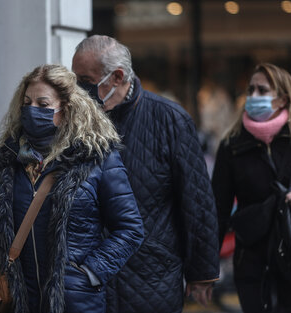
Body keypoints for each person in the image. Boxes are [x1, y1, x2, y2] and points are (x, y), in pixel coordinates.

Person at [0, 64, 144, 313]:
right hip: (18, 302)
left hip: (75, 302)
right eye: (27, 102)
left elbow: (130, 228)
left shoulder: (97, 159)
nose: (32, 111)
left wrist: (89, 274)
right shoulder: (8, 160)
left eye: (43, 105)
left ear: (65, 110)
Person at [72, 35, 220, 313]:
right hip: (86, 276)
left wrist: (202, 274)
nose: (78, 90)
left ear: (116, 76)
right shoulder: (75, 122)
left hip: (151, 275)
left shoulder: (170, 119)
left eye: (85, 81)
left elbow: (197, 201)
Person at [212, 63, 291, 312]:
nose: (253, 96)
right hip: (253, 263)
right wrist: (206, 269)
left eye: (262, 90)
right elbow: (217, 210)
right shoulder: (232, 145)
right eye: (251, 89)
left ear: (283, 99)